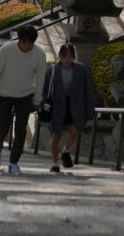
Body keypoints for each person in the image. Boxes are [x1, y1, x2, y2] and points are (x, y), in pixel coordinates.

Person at [0, 25, 45, 175]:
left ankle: (14, 161)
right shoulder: (6, 50)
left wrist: (37, 99)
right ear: (19, 39)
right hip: (4, 95)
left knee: (21, 131)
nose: (27, 45)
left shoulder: (39, 54)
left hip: (25, 96)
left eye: (30, 42)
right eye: (24, 42)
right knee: (3, 127)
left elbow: (40, 79)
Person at [41, 43, 96, 173]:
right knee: (56, 136)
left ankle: (65, 151)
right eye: (64, 56)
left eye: (70, 56)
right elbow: (44, 90)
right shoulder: (52, 70)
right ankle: (55, 163)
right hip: (57, 105)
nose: (67, 59)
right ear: (60, 56)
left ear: (74, 57)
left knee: (74, 133)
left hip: (75, 104)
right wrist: (43, 104)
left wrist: (90, 110)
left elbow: (88, 90)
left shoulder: (81, 69)